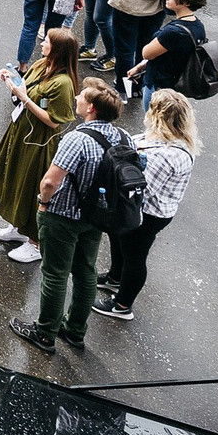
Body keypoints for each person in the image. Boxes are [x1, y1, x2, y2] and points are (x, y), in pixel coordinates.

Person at [11, 77, 131, 353]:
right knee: (86, 272)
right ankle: (75, 330)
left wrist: (43, 203)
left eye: (82, 97)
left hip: (63, 215)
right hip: (97, 216)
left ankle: (45, 333)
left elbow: (50, 181)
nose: (76, 98)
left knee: (55, 273)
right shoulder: (124, 137)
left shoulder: (77, 139)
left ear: (91, 109)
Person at [97, 88, 200, 322]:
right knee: (119, 239)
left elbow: (141, 189)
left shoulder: (167, 155)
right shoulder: (167, 138)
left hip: (148, 213)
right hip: (143, 208)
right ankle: (115, 277)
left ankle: (122, 305)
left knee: (134, 255)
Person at [0, 26, 81, 267]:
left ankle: (35, 242)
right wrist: (11, 81)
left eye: (47, 42)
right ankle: (18, 226)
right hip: (21, 132)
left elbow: (54, 121)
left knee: (31, 185)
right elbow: (24, 88)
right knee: (16, 178)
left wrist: (25, 99)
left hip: (39, 142)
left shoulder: (63, 84)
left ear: (58, 50)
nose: (42, 43)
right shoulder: (41, 65)